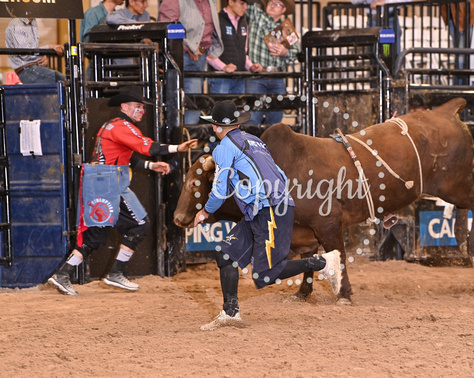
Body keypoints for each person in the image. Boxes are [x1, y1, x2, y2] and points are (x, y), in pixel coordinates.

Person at [194, 100, 341, 331]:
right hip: (268, 207)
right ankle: (230, 313)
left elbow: (220, 189)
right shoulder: (255, 141)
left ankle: (322, 262)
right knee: (225, 254)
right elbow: (278, 172)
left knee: (265, 275)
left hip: (267, 209)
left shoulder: (223, 149)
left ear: (215, 127)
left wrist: (205, 211)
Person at [48, 86, 198, 296]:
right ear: (125, 106)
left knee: (95, 236)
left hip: (100, 181)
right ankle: (116, 272)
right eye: (138, 107)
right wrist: (177, 148)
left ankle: (63, 274)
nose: (142, 111)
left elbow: (124, 156)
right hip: (109, 183)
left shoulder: (112, 126)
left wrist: (150, 166)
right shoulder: (123, 127)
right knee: (139, 224)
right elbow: (147, 147)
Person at [159, 0, 224, 125]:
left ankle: (190, 136)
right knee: (173, 100)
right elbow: (166, 29)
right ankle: (176, 139)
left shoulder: (211, 2)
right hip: (177, 56)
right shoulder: (173, 1)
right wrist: (187, 46)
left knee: (194, 102)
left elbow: (210, 27)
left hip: (200, 56)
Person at [245, 0, 299, 126]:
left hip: (277, 77)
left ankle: (269, 145)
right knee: (253, 117)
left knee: (275, 119)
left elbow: (295, 53)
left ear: (283, 10)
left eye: (277, 4)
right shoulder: (257, 15)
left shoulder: (288, 29)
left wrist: (285, 52)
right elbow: (248, 3)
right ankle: (253, 145)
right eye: (271, 2)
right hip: (257, 74)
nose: (272, 5)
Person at [207, 0, 263, 94]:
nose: (245, 7)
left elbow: (243, 50)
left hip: (240, 76)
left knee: (238, 107)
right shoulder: (216, 20)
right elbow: (208, 51)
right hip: (221, 78)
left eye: (246, 4)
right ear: (231, 2)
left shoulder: (243, 22)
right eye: (242, 3)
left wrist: (251, 66)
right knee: (222, 108)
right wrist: (223, 67)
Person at [5, 18, 65, 84]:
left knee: (64, 82)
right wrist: (47, 49)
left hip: (33, 68)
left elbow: (31, 49)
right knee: (64, 81)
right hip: (27, 70)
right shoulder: (17, 24)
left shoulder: (33, 22)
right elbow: (25, 54)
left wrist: (44, 53)